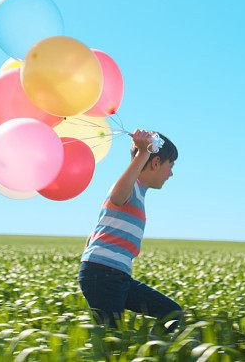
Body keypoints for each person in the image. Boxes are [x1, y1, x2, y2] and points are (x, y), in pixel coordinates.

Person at [78, 129, 182, 336]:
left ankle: (153, 352)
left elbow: (94, 235)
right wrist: (142, 152)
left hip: (115, 275)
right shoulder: (131, 186)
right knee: (112, 342)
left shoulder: (139, 192)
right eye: (171, 165)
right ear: (156, 162)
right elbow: (117, 196)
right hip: (105, 275)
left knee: (172, 312)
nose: (171, 173)